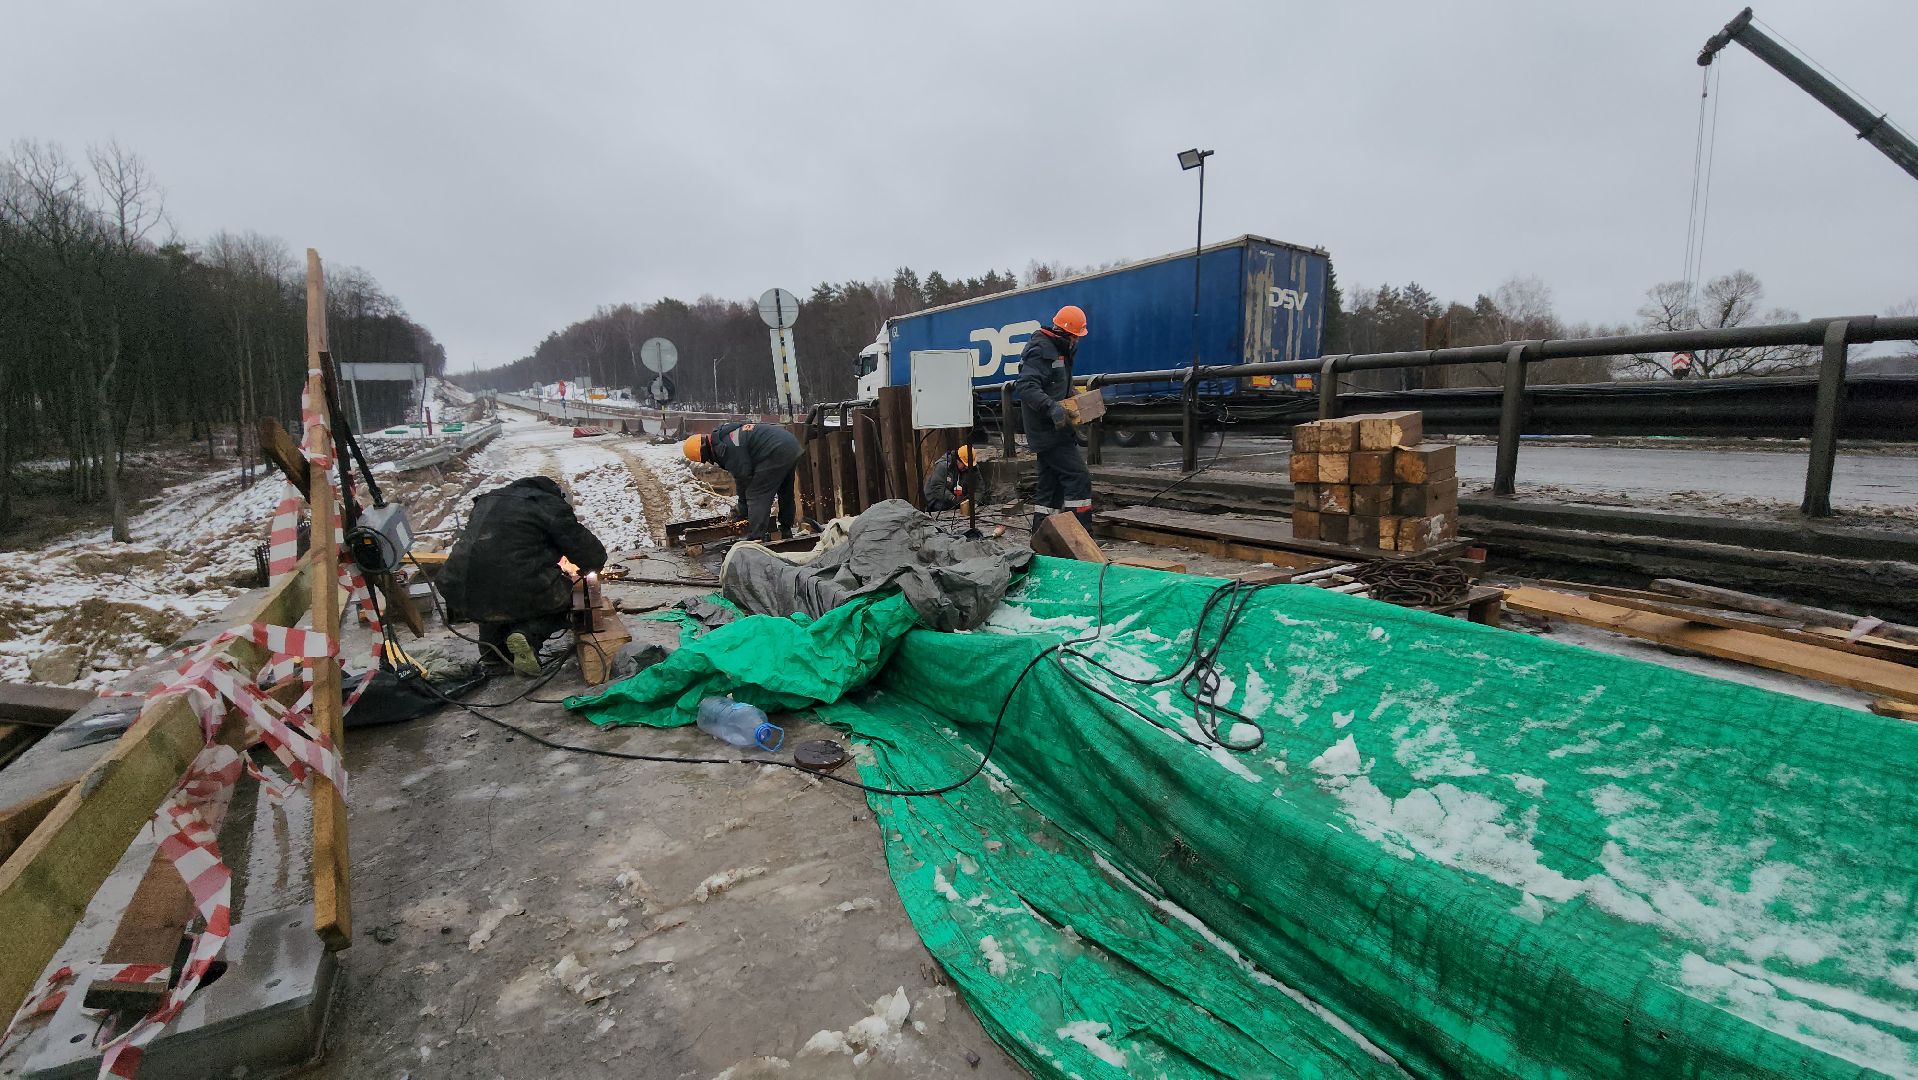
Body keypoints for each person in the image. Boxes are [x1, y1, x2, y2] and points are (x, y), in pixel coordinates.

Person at [438, 476, 607, 676]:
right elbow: (587, 550)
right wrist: (591, 567)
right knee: (572, 596)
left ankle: (493, 656)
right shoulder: (547, 504)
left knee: (491, 598)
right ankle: (528, 635)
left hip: (458, 588)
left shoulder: (488, 500)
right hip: (515, 584)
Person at [1013, 304, 1092, 532]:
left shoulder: (1060, 349)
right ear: (1066, 333)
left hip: (1056, 430)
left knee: (1051, 487)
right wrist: (1051, 407)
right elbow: (1026, 386)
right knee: (1078, 478)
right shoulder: (1041, 350)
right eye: (1076, 336)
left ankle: (1043, 537)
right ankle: (1081, 537)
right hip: (1048, 431)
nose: (1078, 341)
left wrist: (1074, 397)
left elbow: (1055, 383)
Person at [684, 421, 804, 540]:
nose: (710, 461)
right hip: (790, 444)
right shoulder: (724, 435)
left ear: (704, 452)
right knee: (785, 491)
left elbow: (744, 478)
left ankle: (756, 538)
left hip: (775, 449)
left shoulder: (727, 449)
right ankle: (786, 529)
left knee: (756, 493)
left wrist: (742, 508)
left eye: (705, 459)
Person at [922, 443, 978, 512]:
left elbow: (979, 487)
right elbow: (938, 487)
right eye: (965, 464)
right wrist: (953, 498)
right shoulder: (943, 466)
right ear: (958, 460)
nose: (967, 467)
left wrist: (975, 502)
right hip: (936, 501)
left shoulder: (971, 467)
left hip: (956, 500)